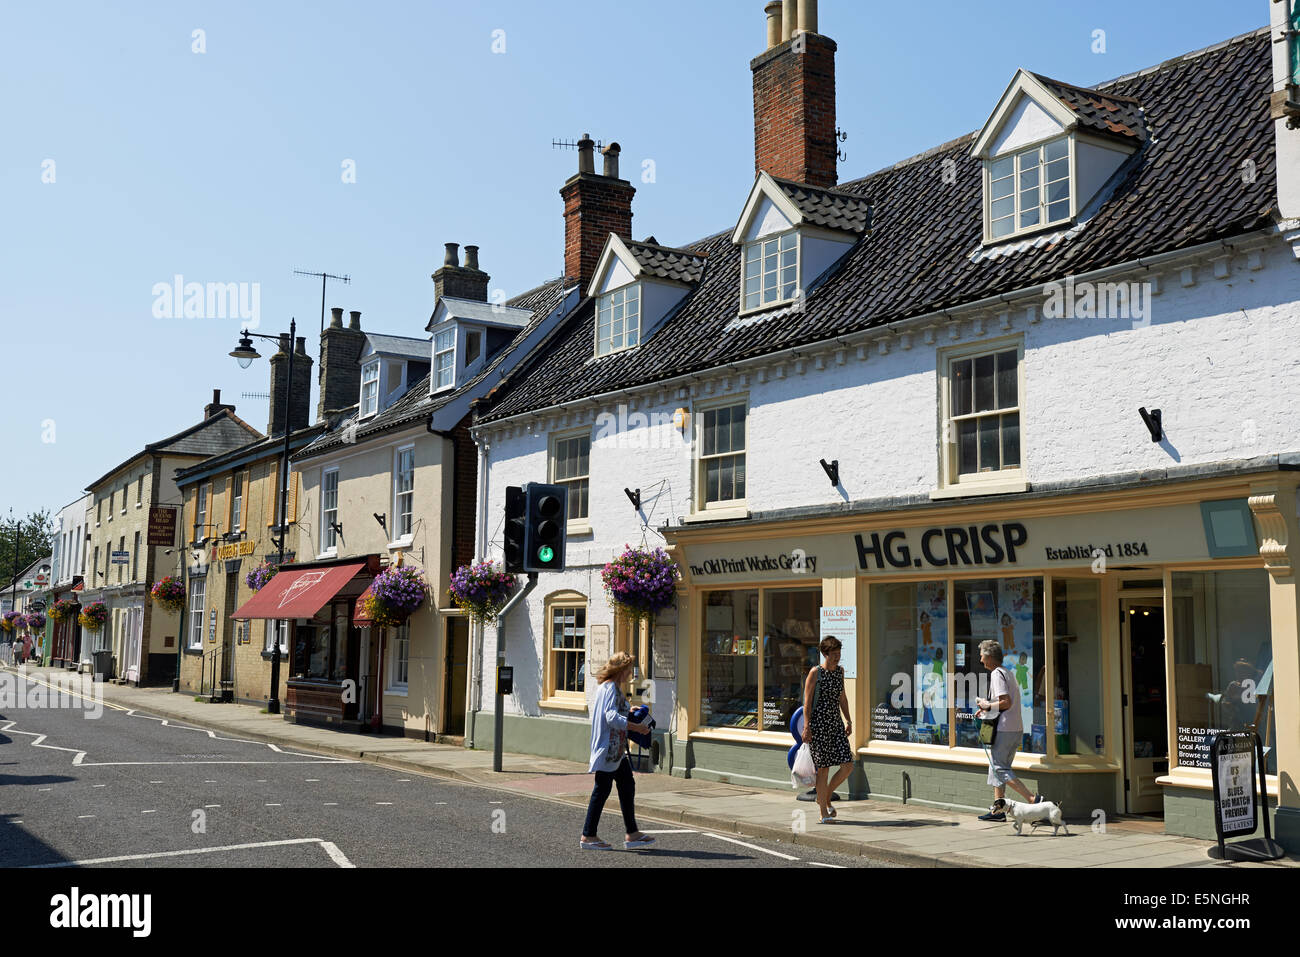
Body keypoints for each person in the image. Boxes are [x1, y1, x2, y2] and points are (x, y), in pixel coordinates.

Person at [580, 651, 656, 850]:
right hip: (609, 749)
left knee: (626, 785)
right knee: (601, 790)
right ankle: (588, 835)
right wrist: (636, 726)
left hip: (615, 750)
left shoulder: (606, 687)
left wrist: (628, 710)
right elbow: (611, 717)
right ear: (621, 670)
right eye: (629, 669)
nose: (631, 673)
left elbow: (613, 711)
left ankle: (632, 834)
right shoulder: (611, 688)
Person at [976, 639, 1039, 821]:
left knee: (999, 768)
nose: (981, 661)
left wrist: (987, 705)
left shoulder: (997, 674)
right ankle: (998, 810)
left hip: (1004, 729)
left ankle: (1033, 799)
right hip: (1015, 727)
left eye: (982, 657)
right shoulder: (1007, 673)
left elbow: (1005, 702)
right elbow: (1005, 703)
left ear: (989, 657)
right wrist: (987, 707)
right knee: (997, 768)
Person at [802, 636, 854, 824]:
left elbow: (843, 698)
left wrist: (848, 720)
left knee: (847, 765)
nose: (837, 658)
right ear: (825, 654)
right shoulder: (816, 673)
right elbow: (807, 703)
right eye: (833, 655)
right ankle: (823, 812)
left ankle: (826, 795)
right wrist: (807, 727)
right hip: (819, 725)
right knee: (823, 769)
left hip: (836, 724)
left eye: (839, 654)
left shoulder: (840, 672)